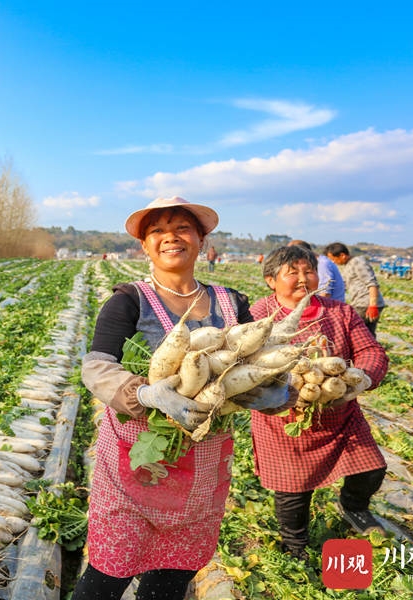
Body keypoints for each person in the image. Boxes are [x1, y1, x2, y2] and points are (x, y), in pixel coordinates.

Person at [75, 196, 287, 600]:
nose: (170, 237)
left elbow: (255, 366)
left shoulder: (233, 303)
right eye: (157, 230)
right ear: (144, 246)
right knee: (108, 575)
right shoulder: (128, 300)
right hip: (136, 462)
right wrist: (146, 393)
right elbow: (96, 367)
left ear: (202, 239)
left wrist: (272, 392)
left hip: (204, 467)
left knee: (174, 575)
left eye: (182, 228)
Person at [250, 245, 389, 561]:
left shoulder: (340, 311)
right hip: (284, 421)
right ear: (271, 280)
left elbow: (372, 352)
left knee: (372, 469)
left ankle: (353, 506)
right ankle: (294, 546)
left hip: (340, 414)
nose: (303, 279)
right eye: (292, 273)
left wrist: (361, 378)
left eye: (308, 271)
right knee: (293, 492)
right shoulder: (258, 316)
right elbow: (244, 364)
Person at [324, 242, 385, 336]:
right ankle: (372, 349)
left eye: (333, 259)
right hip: (362, 303)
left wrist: (373, 305)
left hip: (365, 304)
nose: (333, 262)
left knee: (354, 331)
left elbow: (372, 284)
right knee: (367, 333)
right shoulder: (349, 265)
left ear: (342, 255)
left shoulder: (358, 262)